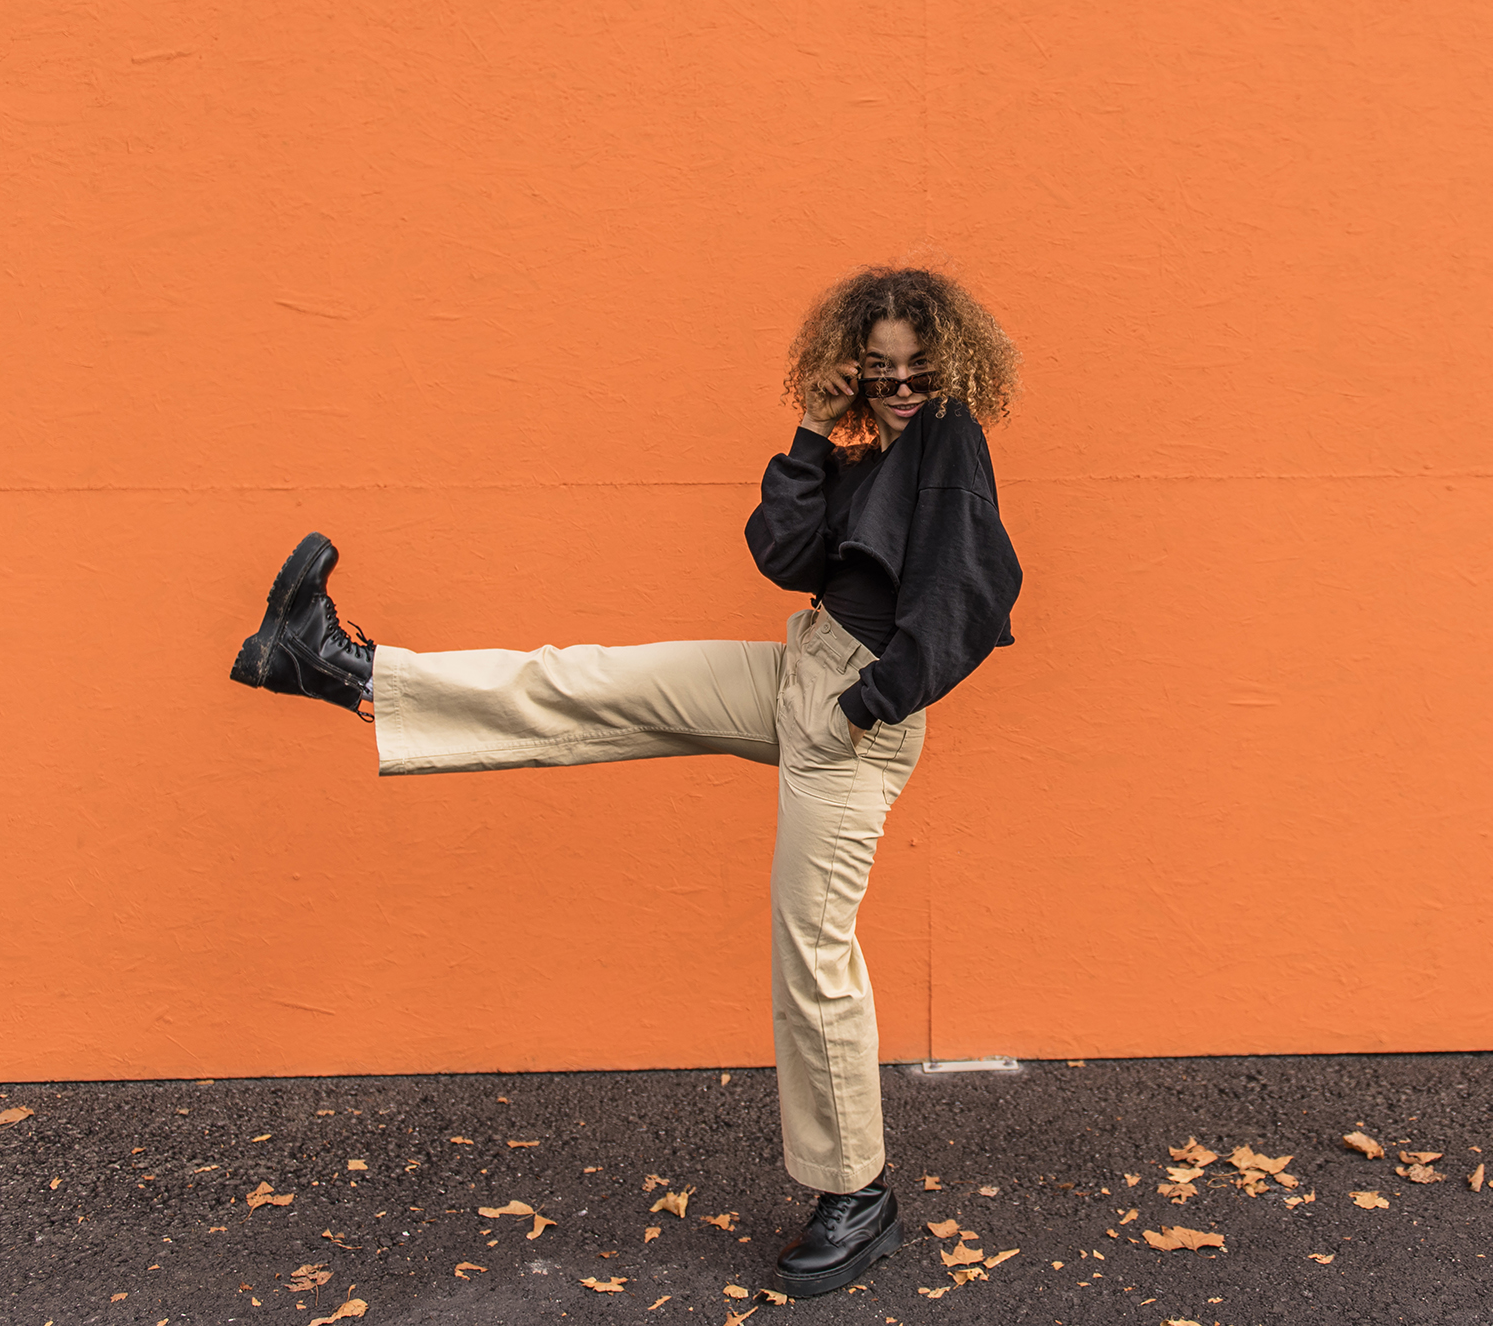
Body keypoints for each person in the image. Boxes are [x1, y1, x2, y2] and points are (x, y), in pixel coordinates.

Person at [229, 265, 1023, 1297]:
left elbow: (975, 592)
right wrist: (814, 431)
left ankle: (854, 1196)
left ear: (948, 363)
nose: (901, 386)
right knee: (591, 681)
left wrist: (871, 701)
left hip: (848, 714)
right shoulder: (870, 440)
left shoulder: (949, 441)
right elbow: (779, 553)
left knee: (810, 953)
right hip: (803, 664)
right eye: (879, 371)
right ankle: (338, 666)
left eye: (916, 370)